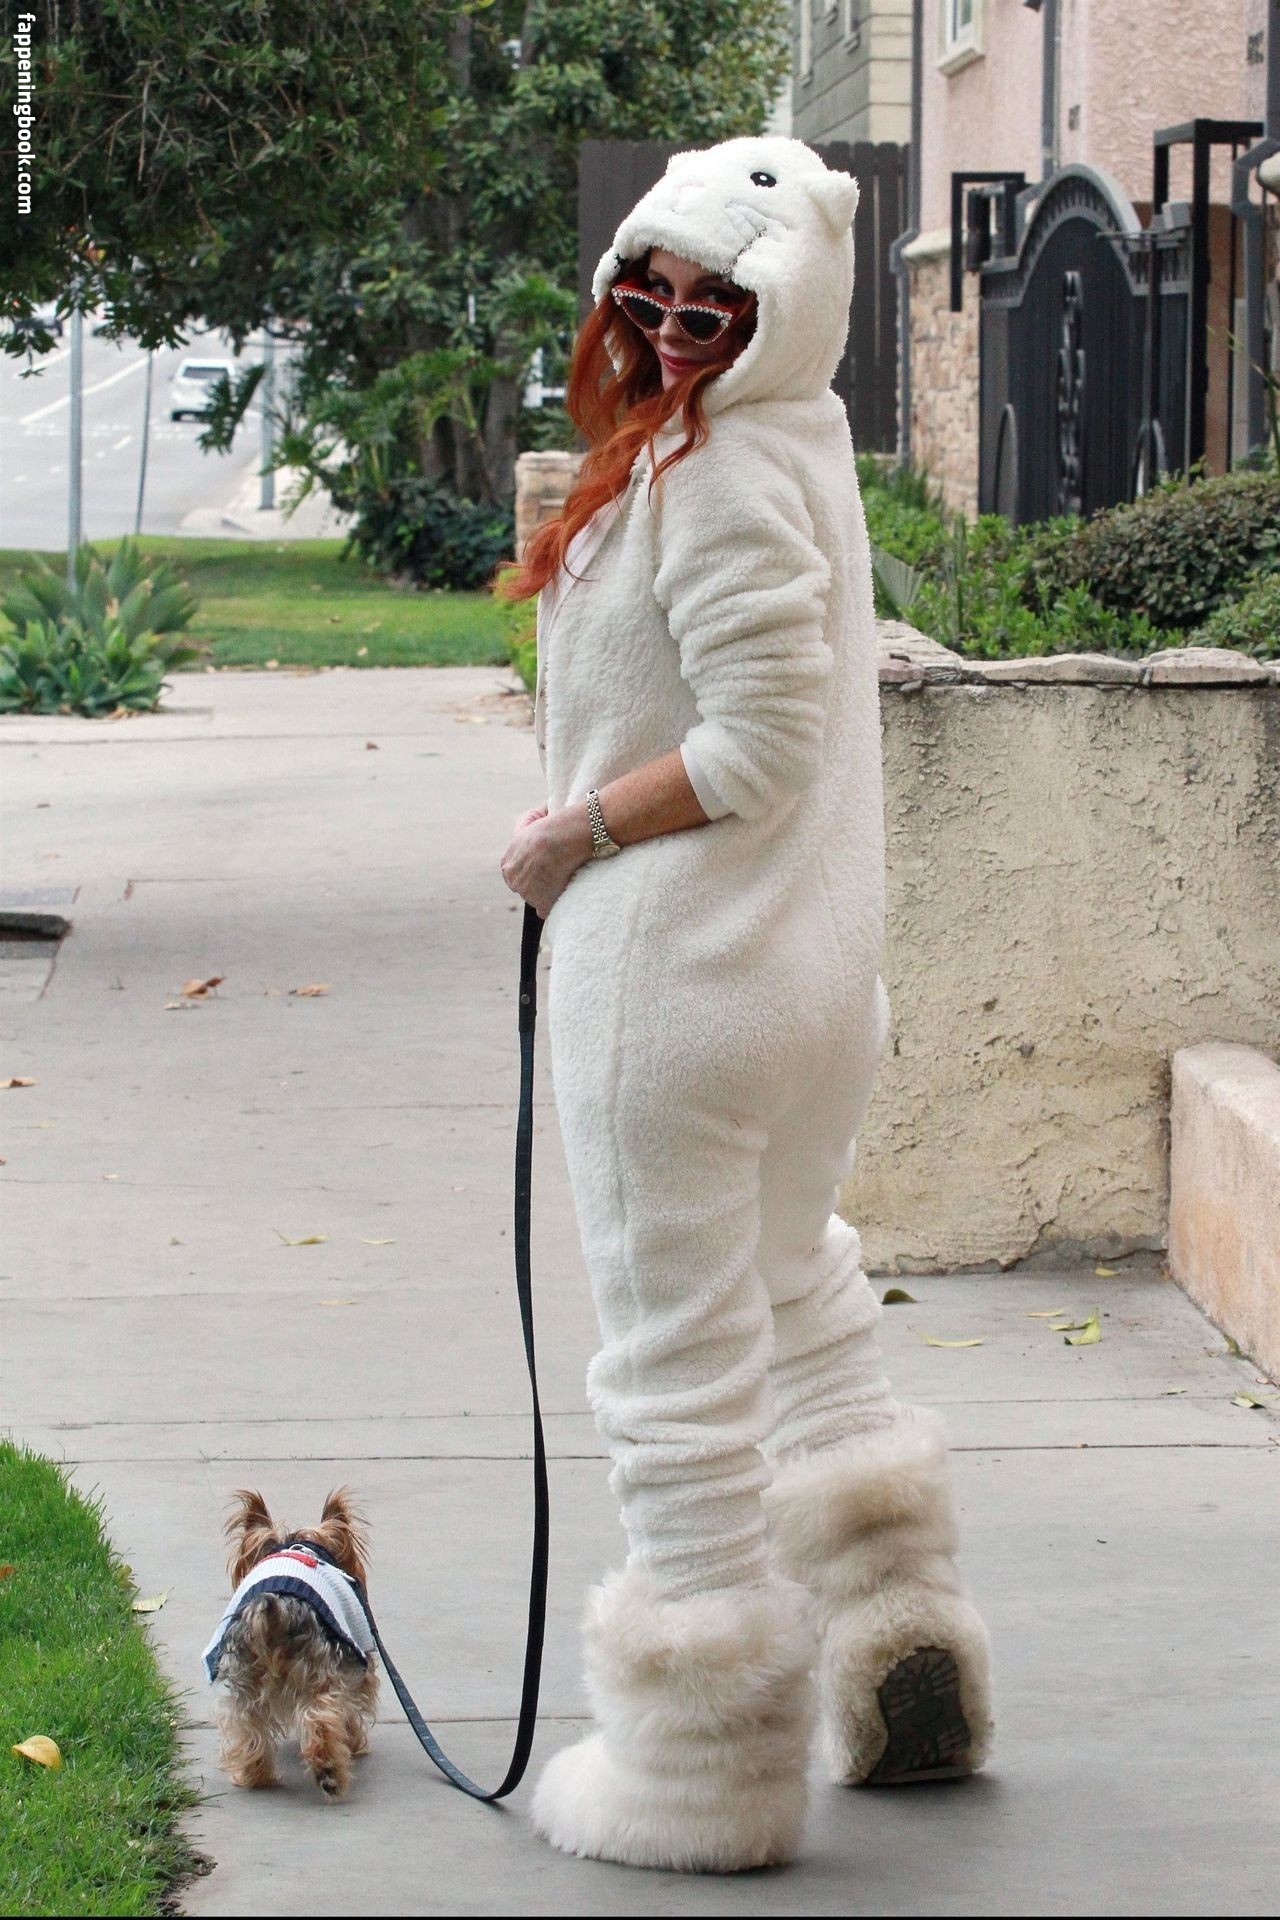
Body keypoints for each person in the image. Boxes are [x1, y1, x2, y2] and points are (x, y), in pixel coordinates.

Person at [497, 134, 993, 1874]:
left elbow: (759, 743)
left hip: (678, 981)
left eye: (712, 309)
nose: (668, 328)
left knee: (674, 1361)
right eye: (646, 291)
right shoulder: (801, 442)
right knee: (796, 1282)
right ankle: (898, 1628)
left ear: (786, 312)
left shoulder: (708, 477)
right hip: (809, 984)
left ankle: (698, 1779)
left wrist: (570, 831)